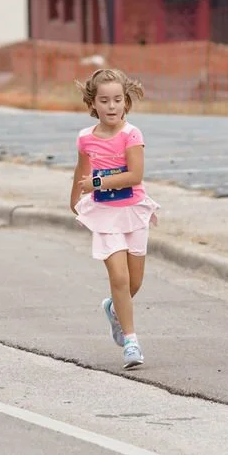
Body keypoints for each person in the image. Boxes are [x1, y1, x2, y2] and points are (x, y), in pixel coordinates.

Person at [70, 68, 160, 370]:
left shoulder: (132, 135)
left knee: (134, 283)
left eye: (117, 100)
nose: (111, 106)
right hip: (105, 214)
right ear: (92, 103)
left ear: (126, 102)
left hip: (133, 211)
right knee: (119, 278)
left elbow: (135, 175)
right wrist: (74, 199)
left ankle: (113, 308)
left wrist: (96, 183)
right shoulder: (85, 138)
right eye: (105, 100)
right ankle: (131, 342)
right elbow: (82, 169)